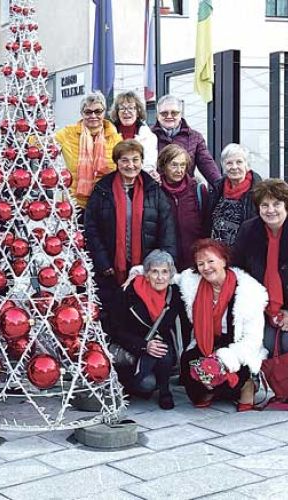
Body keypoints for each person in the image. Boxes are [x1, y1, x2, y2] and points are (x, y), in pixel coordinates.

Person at [84, 140, 177, 329]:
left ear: (142, 161)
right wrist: (103, 263)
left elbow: (167, 229)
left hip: (145, 268)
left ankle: (140, 350)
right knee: (111, 314)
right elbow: (91, 228)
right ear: (117, 163)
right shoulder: (102, 189)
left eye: (135, 159)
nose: (130, 165)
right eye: (124, 160)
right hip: (110, 267)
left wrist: (156, 265)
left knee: (138, 316)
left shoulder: (154, 190)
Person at [178, 239, 266, 411]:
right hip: (207, 340)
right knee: (191, 370)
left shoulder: (249, 292)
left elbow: (252, 339)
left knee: (225, 374)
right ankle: (213, 388)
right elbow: (165, 274)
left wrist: (224, 360)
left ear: (224, 261)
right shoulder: (192, 282)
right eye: (201, 263)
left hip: (237, 344)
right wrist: (138, 272)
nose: (206, 267)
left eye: (211, 261)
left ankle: (246, 384)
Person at [115, 250, 184, 410]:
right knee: (147, 384)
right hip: (132, 349)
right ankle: (131, 384)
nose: (160, 277)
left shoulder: (174, 294)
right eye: (155, 272)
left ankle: (165, 391)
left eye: (165, 272)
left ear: (171, 274)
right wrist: (145, 345)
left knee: (163, 350)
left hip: (161, 348)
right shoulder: (127, 292)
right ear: (146, 274)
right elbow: (115, 330)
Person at [233, 179, 288, 367]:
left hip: (286, 306)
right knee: (269, 344)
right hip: (261, 306)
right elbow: (238, 270)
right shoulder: (248, 229)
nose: (270, 210)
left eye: (276, 204)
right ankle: (279, 391)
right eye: (265, 205)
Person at [55, 91, 122, 208]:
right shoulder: (68, 133)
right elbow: (42, 143)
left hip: (105, 203)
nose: (93, 116)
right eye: (88, 112)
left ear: (104, 112)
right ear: (82, 113)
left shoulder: (115, 138)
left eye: (98, 111)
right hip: (75, 205)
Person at [158, 144, 208, 270]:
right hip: (165, 264)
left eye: (183, 165)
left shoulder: (197, 190)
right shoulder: (155, 192)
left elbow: (207, 226)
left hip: (195, 262)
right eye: (174, 165)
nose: (179, 170)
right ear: (163, 166)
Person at [150, 94, 221, 183]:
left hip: (186, 193)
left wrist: (221, 186)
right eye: (164, 113)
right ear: (157, 115)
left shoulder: (195, 137)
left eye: (174, 113)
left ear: (181, 114)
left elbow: (207, 164)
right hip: (156, 193)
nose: (169, 116)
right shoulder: (147, 136)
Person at [206, 143, 262, 247]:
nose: (234, 167)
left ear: (247, 165)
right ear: (223, 166)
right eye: (229, 163)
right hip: (217, 254)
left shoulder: (258, 192)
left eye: (239, 162)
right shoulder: (217, 189)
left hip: (245, 255)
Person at [109, 91, 158, 181]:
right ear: (117, 112)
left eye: (131, 108)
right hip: (112, 181)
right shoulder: (107, 134)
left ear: (138, 112)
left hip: (140, 182)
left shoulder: (149, 137)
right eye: (122, 108)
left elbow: (149, 165)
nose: (126, 112)